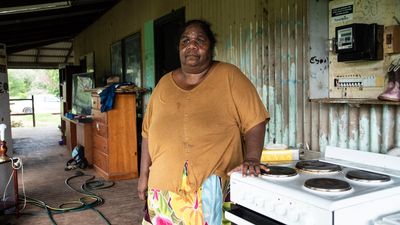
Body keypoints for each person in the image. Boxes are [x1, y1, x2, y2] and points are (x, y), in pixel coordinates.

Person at [138, 19, 270, 225]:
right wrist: (143, 176)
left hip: (211, 185)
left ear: (211, 47)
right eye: (185, 41)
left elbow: (255, 120)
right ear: (179, 48)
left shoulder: (229, 76)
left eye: (200, 40)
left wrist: (252, 158)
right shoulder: (164, 84)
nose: (192, 45)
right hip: (162, 187)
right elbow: (147, 133)